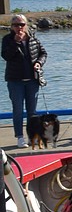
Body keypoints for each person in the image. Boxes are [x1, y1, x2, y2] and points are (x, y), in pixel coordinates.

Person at [2, 15, 47, 148]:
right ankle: (19, 137)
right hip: (15, 81)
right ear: (11, 27)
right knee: (17, 110)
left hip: (32, 80)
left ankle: (31, 136)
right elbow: (6, 56)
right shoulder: (7, 39)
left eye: (21, 24)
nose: (19, 28)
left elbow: (43, 53)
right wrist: (16, 42)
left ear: (26, 25)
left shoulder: (33, 38)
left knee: (32, 112)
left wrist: (39, 62)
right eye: (16, 25)